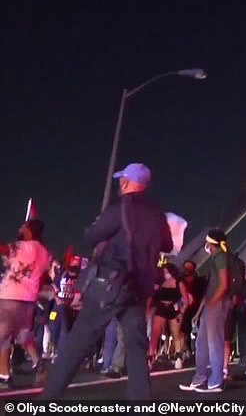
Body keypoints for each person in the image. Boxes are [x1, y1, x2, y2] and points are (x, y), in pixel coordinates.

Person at [42, 163, 173, 400]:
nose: (119, 184)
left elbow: (91, 235)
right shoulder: (157, 214)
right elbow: (168, 245)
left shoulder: (121, 208)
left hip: (110, 285)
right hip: (138, 289)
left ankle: (46, 400)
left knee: (76, 344)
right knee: (136, 347)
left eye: (121, 179)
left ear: (126, 182)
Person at [0, 219, 52, 388]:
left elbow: (4, 250)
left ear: (29, 230)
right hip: (29, 299)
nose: (20, 228)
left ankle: (4, 376)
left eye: (23, 226)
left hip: (10, 297)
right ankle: (39, 364)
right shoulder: (45, 252)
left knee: (3, 337)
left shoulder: (20, 246)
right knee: (23, 335)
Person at [179, 229, 232, 393]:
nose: (205, 245)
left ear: (212, 242)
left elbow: (224, 284)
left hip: (217, 305)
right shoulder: (215, 259)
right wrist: (198, 312)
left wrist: (212, 303)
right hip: (210, 306)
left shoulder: (221, 257)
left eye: (207, 241)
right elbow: (209, 290)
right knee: (201, 344)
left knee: (214, 343)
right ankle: (199, 378)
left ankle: (216, 381)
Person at [148, 263, 192, 368]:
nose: (165, 274)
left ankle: (178, 357)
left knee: (175, 334)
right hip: (161, 307)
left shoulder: (179, 282)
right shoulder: (160, 282)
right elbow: (151, 297)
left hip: (174, 308)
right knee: (155, 334)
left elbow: (186, 300)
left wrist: (181, 312)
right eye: (163, 272)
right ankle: (150, 357)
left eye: (167, 271)